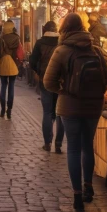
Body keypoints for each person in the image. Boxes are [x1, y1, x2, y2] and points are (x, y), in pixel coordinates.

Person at [44, 13, 107, 211]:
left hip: (69, 106)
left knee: (73, 148)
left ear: (64, 29)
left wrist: (65, 91)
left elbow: (48, 82)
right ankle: (88, 187)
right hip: (93, 106)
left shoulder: (61, 50)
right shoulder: (96, 50)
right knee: (87, 146)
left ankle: (76, 195)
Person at [29, 21, 64, 153]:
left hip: (45, 80)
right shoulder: (61, 43)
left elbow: (32, 61)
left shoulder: (40, 43)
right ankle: (59, 144)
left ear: (45, 30)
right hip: (60, 81)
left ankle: (47, 143)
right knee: (60, 113)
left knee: (47, 112)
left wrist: (38, 71)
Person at [0, 21, 20, 119]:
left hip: (4, 64)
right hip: (14, 64)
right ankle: (9, 110)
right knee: (11, 87)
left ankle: (2, 109)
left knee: (3, 86)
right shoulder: (17, 38)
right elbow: (19, 52)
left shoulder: (2, 38)